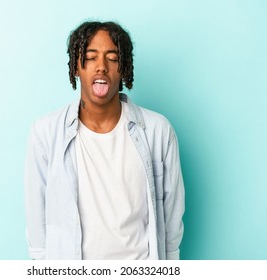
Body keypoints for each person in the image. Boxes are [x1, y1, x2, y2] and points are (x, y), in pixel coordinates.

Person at [24, 21, 185, 260]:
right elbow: (37, 225)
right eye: (90, 57)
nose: (101, 67)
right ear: (77, 67)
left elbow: (172, 219)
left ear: (124, 68)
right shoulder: (46, 132)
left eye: (112, 57)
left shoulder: (157, 131)